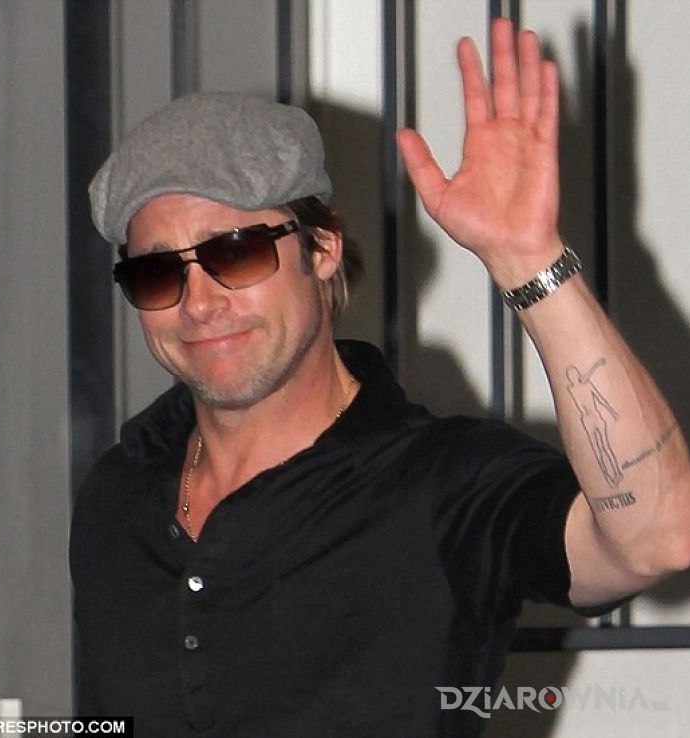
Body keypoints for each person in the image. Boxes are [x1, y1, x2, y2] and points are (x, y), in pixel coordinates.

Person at [70, 18, 690, 737]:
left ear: (323, 250)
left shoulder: (445, 484)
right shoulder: (119, 493)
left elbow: (657, 536)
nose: (199, 303)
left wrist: (529, 259)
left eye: (236, 253)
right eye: (156, 273)